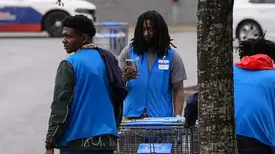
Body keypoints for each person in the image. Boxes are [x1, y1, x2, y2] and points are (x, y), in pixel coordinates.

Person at [184, 36, 275, 153]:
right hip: (257, 146)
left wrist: (189, 121)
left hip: (220, 139)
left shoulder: (224, 76)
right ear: (271, 60)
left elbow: (193, 101)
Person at [44, 14, 126, 154]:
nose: (64, 41)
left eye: (69, 36)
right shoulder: (109, 59)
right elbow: (118, 97)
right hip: (106, 142)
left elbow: (61, 106)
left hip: (76, 142)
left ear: (83, 38)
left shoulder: (70, 64)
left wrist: (50, 143)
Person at [118, 10, 187, 118]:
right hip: (132, 117)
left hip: (161, 119)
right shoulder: (128, 52)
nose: (146, 34)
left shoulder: (172, 56)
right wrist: (124, 78)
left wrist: (177, 116)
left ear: (159, 31)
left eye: (150, 30)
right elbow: (116, 84)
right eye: (143, 30)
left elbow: (178, 89)